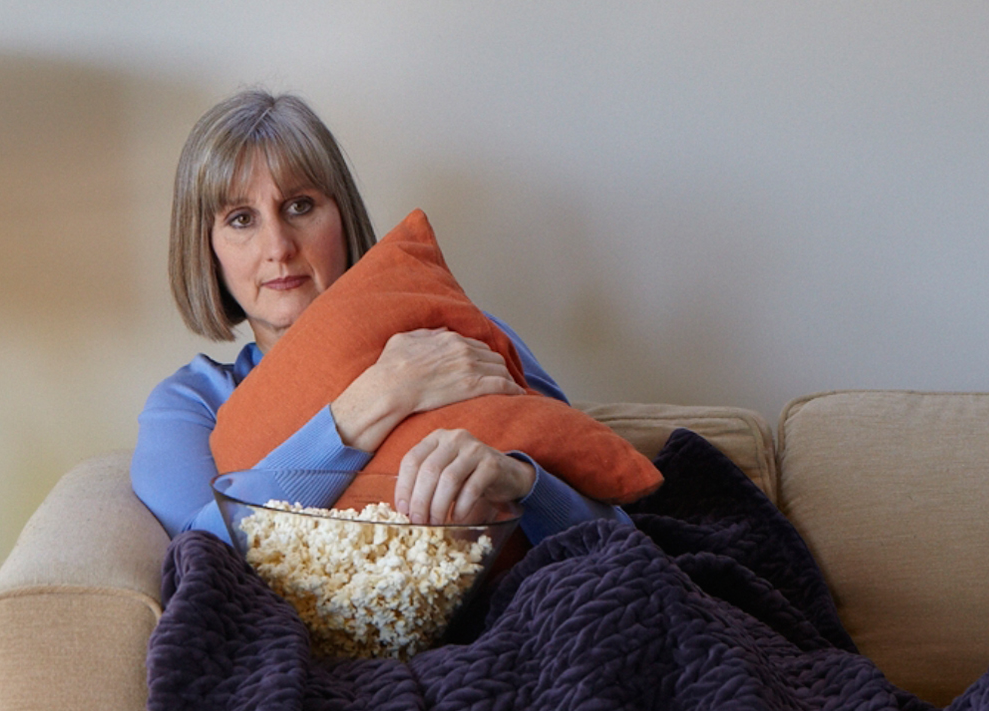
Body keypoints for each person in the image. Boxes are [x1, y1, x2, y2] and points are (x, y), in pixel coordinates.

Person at [131, 89, 629, 546]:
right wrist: (378, 398)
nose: (278, 247)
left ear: (343, 218)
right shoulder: (193, 403)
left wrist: (520, 481)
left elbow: (618, 534)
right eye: (241, 219)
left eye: (300, 206)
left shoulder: (456, 342)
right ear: (207, 249)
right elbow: (199, 554)